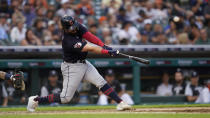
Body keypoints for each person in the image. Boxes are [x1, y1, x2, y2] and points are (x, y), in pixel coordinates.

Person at [27, 15, 131, 112]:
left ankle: (120, 102)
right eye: (71, 28)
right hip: (71, 67)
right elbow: (89, 48)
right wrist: (106, 51)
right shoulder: (68, 40)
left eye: (74, 26)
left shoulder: (76, 26)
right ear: (65, 29)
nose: (75, 29)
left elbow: (89, 36)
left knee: (101, 82)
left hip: (84, 64)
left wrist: (103, 45)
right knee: (65, 98)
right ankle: (36, 100)